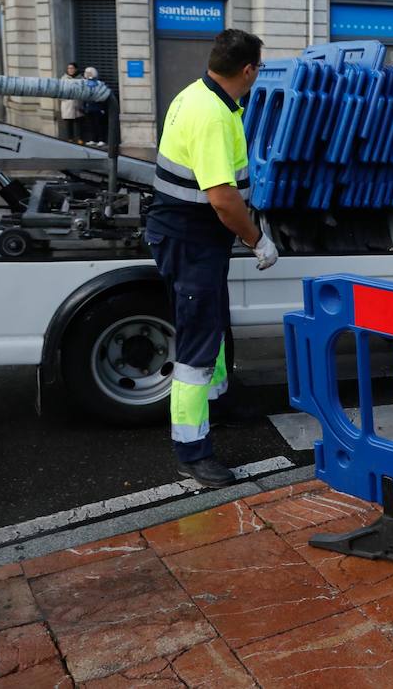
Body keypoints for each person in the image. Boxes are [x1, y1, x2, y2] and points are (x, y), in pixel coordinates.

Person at [146, 29, 280, 487]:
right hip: (192, 239)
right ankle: (192, 450)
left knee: (214, 325)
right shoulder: (212, 116)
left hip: (192, 236)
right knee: (196, 348)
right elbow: (222, 197)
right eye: (258, 68)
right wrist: (256, 238)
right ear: (248, 70)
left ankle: (219, 402)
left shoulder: (198, 94)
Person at [59, 62, 84, 143]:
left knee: (79, 123)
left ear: (75, 69)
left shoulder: (81, 78)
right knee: (69, 123)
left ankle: (80, 138)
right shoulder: (63, 79)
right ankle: (70, 138)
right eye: (69, 68)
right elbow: (60, 91)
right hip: (67, 104)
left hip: (77, 103)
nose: (70, 70)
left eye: (72, 68)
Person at [81, 66, 107, 144]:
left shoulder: (98, 83)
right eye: (87, 73)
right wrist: (84, 106)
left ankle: (101, 139)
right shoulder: (85, 83)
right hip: (89, 108)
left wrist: (102, 107)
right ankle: (93, 139)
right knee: (91, 125)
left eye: (90, 73)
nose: (88, 75)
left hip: (97, 107)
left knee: (99, 124)